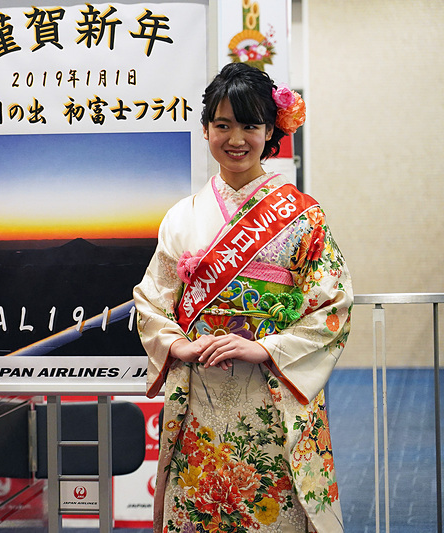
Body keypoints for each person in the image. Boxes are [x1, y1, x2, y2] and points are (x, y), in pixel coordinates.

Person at [133, 63, 352, 533]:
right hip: (200, 399)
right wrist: (177, 344)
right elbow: (151, 301)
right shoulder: (182, 217)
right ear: (207, 129)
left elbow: (333, 306)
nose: (236, 138)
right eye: (222, 125)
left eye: (250, 125)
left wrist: (267, 348)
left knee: (273, 514)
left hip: (273, 398)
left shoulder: (302, 217)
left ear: (271, 131)